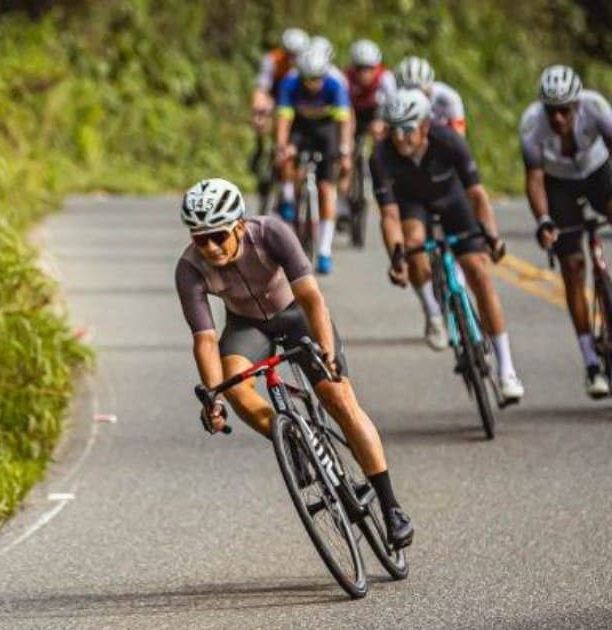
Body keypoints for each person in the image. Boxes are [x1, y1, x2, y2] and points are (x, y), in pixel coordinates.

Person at [175, 177, 414, 548]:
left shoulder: (271, 232)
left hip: (295, 313)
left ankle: (391, 506)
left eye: (217, 236)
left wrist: (326, 352)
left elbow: (311, 297)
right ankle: (291, 439)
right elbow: (205, 340)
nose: (209, 247)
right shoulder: (189, 268)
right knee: (235, 387)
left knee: (339, 399)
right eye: (199, 238)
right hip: (247, 326)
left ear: (238, 225)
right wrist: (214, 397)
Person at [372, 89, 526, 402]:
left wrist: (492, 235)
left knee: (477, 272)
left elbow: (477, 195)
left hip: (452, 200)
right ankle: (434, 313)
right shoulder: (380, 155)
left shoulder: (449, 141)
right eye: (393, 130)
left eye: (406, 129)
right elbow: (389, 215)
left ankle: (507, 369)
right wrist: (397, 257)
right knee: (414, 243)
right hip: (413, 203)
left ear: (425, 126)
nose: (399, 139)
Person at [520, 65, 612, 397]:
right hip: (560, 185)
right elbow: (534, 179)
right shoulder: (532, 124)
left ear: (576, 105)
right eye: (551, 111)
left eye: (564, 110)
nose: (558, 118)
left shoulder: (596, 108)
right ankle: (591, 363)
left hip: (598, 172)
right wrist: (544, 220)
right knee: (573, 268)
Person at [274, 45, 353, 274]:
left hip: (325, 131)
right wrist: (282, 147)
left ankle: (325, 250)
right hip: (301, 128)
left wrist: (345, 151)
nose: (312, 84)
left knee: (326, 188)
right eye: (308, 79)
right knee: (288, 154)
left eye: (317, 79)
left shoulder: (334, 85)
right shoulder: (290, 83)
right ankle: (292, 197)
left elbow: (344, 122)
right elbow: (283, 120)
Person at [251, 28, 311, 196]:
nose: (293, 59)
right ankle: (261, 148)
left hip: (298, 102)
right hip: (277, 97)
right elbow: (262, 89)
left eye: (296, 55)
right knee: (262, 117)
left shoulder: (310, 63)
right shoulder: (272, 60)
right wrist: (259, 110)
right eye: (289, 54)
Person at [394, 56, 467, 135]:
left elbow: (459, 135)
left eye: (419, 91)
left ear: (429, 85)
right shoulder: (395, 97)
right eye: (409, 92)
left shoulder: (448, 97)